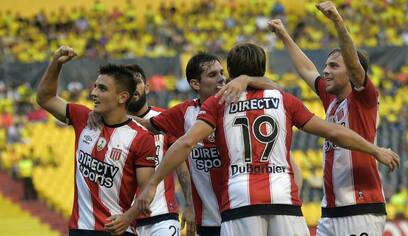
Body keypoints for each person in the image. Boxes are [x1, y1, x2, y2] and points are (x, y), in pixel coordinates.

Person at [136, 42, 399, 236]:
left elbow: (183, 143)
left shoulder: (218, 104)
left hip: (239, 200)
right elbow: (334, 131)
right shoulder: (283, 98)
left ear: (231, 71)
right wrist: (374, 150)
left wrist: (152, 184)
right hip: (283, 197)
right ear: (263, 69)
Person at [268, 1, 394, 235]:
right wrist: (284, 35)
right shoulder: (331, 100)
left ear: (353, 73)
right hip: (331, 211)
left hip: (360, 208)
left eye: (334, 66)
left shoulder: (365, 99)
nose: (325, 70)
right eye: (326, 65)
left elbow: (355, 65)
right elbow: (307, 70)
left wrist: (337, 21)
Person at [134, 52, 288, 236]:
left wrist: (246, 79)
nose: (222, 79)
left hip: (242, 211)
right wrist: (103, 115)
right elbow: (145, 124)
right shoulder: (184, 113)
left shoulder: (239, 103)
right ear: (195, 84)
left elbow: (276, 89)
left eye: (222, 73)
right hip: (207, 219)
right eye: (213, 75)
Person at [36, 46, 156, 236]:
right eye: (94, 86)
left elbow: (147, 189)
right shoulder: (82, 117)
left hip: (118, 230)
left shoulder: (141, 138)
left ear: (122, 97)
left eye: (102, 89)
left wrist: (128, 217)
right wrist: (56, 64)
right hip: (80, 229)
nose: (94, 93)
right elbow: (45, 98)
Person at [102, 64, 196, 236]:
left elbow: (181, 167)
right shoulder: (110, 125)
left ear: (146, 86)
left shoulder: (164, 119)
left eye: (137, 80)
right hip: (124, 220)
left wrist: (190, 205)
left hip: (162, 215)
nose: (134, 85)